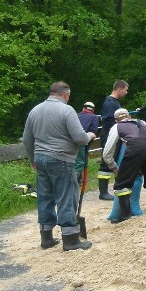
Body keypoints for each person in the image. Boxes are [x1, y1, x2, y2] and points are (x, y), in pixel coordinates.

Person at [23, 81, 96, 251]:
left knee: (45, 196)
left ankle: (46, 238)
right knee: (67, 197)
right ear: (65, 94)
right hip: (61, 159)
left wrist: (33, 159)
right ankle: (71, 240)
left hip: (40, 159)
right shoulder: (66, 110)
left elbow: (27, 138)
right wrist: (90, 135)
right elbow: (79, 137)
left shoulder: (35, 110)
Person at [102, 108, 146, 223]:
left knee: (122, 183)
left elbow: (107, 153)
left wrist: (114, 167)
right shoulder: (142, 122)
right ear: (129, 116)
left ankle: (125, 216)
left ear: (116, 120)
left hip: (135, 147)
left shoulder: (117, 127)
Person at [97, 80, 129, 200]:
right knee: (106, 162)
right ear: (119, 89)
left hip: (113, 135)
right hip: (110, 136)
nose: (126, 92)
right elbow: (109, 121)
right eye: (125, 90)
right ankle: (103, 192)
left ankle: (114, 188)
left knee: (112, 160)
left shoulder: (113, 102)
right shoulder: (111, 103)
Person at [74, 101, 99, 184]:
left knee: (73, 160)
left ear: (83, 108)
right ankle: (75, 181)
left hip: (70, 140)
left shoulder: (76, 115)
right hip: (82, 141)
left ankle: (79, 179)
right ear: (93, 110)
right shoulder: (94, 117)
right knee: (81, 161)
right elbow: (94, 133)